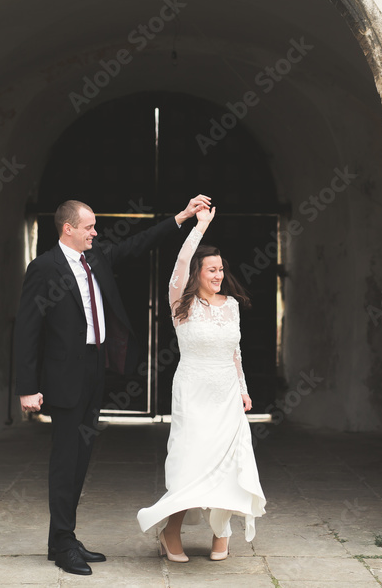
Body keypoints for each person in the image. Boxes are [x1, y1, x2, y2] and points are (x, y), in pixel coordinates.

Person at [14, 195, 210, 576]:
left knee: (82, 457)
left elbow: (138, 243)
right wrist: (27, 386)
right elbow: (27, 329)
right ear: (67, 228)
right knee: (65, 459)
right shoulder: (44, 268)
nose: (95, 232)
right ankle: (62, 541)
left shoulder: (96, 257)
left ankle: (64, 539)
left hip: (95, 368)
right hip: (64, 376)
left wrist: (182, 217)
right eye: (89, 227)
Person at [137, 206, 267, 562]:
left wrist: (243, 389)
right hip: (193, 391)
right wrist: (200, 226)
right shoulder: (182, 301)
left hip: (226, 392)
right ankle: (170, 531)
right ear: (197, 272)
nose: (219, 275)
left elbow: (235, 351)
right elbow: (180, 262)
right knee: (189, 462)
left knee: (228, 464)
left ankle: (221, 532)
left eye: (221, 269)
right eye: (212, 269)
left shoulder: (232, 306)